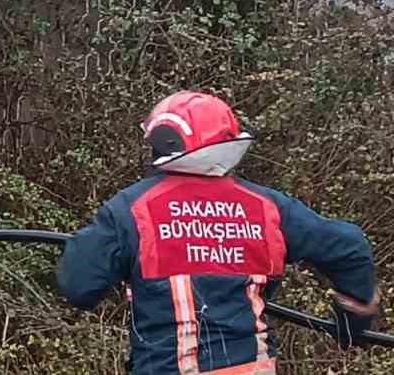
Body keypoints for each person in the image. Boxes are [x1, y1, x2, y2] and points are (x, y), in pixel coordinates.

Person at [58, 91, 382, 374]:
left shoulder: (130, 209)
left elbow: (78, 286)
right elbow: (349, 247)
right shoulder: (266, 207)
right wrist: (352, 322)